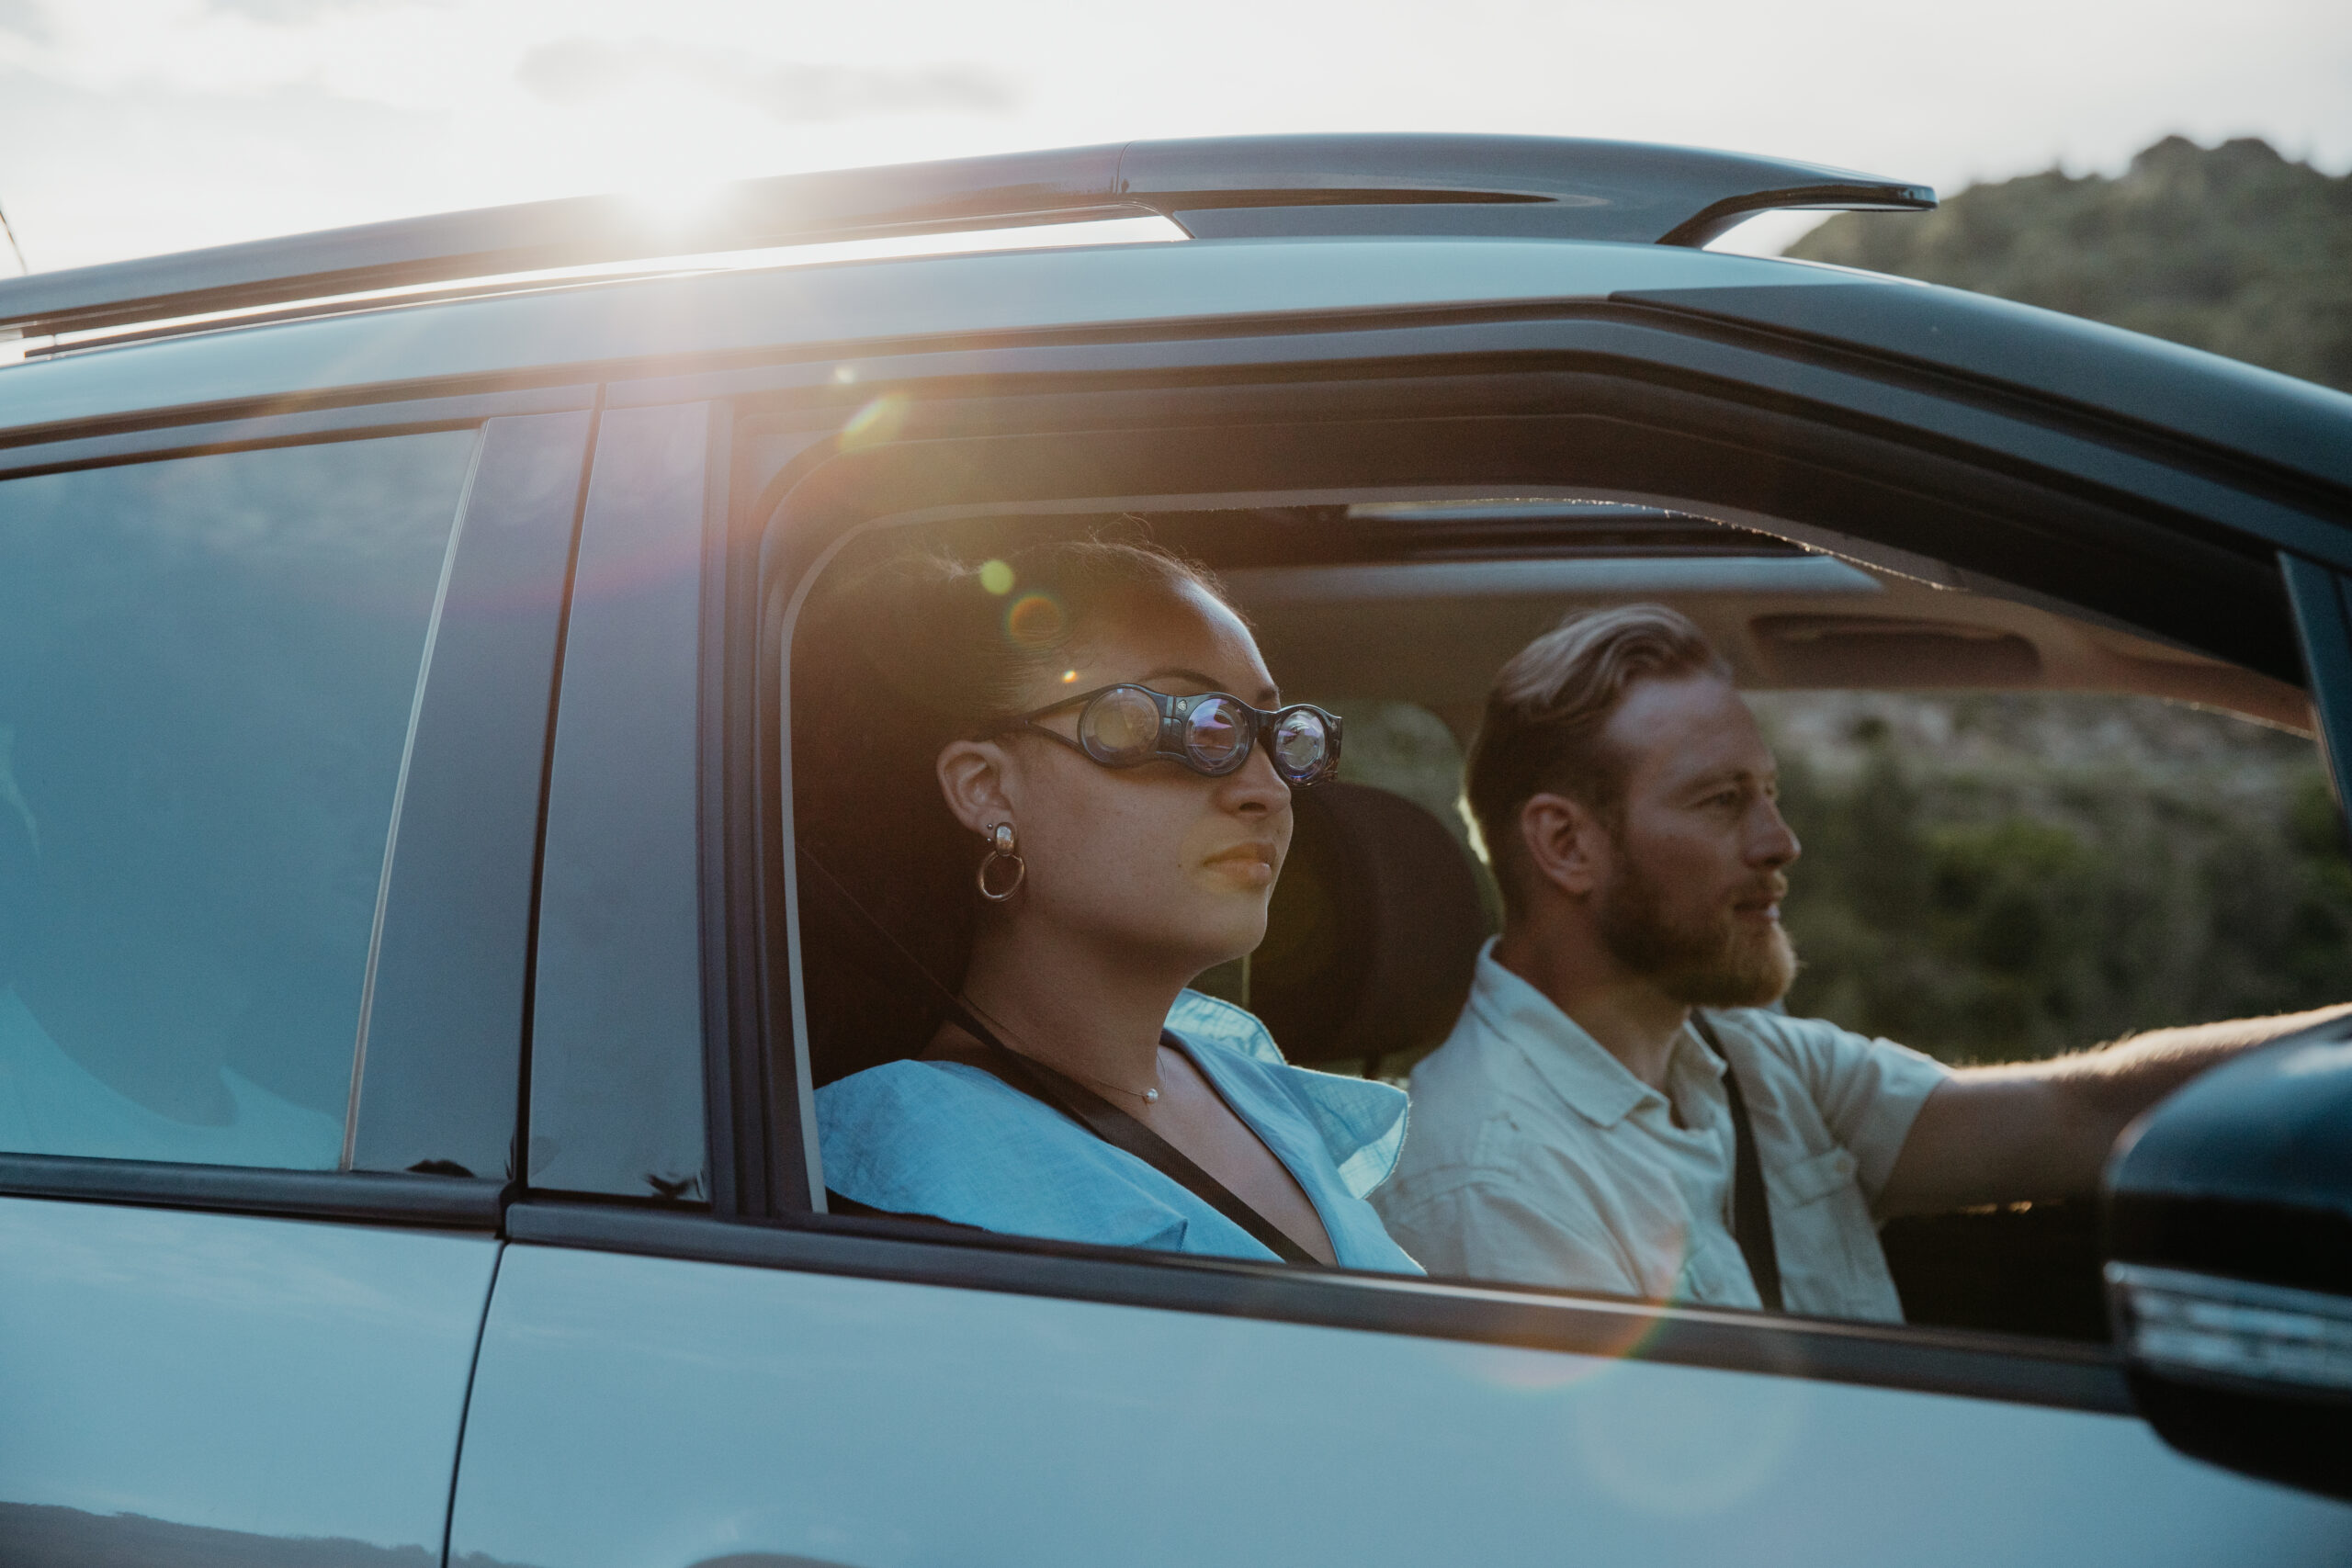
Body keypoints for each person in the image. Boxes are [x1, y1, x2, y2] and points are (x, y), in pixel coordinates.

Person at [1374, 604, 2347, 1320]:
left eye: (1770, 793)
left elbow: (2077, 1111)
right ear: (1567, 846)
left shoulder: (1749, 1061)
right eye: (1720, 802)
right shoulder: (1491, 1180)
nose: (1779, 841)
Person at [796, 536, 1419, 1272]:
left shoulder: (1236, 1072)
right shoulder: (922, 1154)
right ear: (985, 788)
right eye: (1186, 725)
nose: (1268, 790)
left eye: (1280, 736)